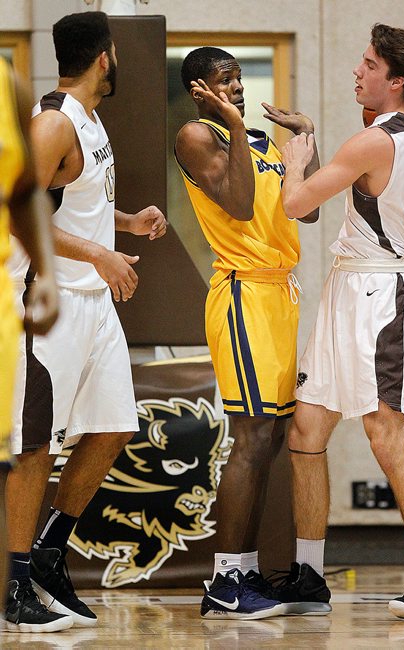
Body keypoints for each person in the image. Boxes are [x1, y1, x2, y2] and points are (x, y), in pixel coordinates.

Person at [279, 23, 404, 620]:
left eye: (368, 65)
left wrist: (294, 158)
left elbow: (297, 205)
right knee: (307, 432)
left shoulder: (371, 142)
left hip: (381, 292)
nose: (357, 72)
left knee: (386, 437)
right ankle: (308, 575)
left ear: (396, 79)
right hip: (347, 287)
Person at [4, 12, 167, 633]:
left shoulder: (90, 120)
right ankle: (14, 585)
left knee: (114, 427)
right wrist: (99, 253)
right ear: (106, 56)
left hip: (93, 304)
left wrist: (121, 224)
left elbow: (72, 202)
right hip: (49, 303)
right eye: (117, 52)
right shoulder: (53, 122)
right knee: (37, 445)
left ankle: (48, 552)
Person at [174, 46, 326, 620]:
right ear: (198, 88)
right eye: (223, 80)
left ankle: (248, 571)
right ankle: (224, 579)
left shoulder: (258, 144)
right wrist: (236, 125)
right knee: (251, 436)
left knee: (268, 439)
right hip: (240, 293)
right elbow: (238, 206)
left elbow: (305, 210)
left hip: (279, 292)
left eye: (238, 79)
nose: (236, 87)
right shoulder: (197, 136)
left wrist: (306, 143)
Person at [0, 56, 59, 624]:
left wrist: (46, 274)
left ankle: (10, 592)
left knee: (11, 453)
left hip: (4, 300)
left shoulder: (10, 87)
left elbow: (25, 195)